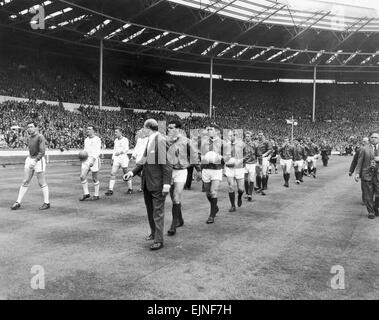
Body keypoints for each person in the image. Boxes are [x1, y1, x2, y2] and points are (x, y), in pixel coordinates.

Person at [124, 119, 172, 250]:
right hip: (147, 182)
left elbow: (167, 165)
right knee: (150, 210)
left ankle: (159, 240)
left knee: (157, 212)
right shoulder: (150, 140)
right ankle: (154, 233)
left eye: (143, 128)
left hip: (157, 184)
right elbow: (143, 161)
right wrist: (132, 173)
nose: (141, 131)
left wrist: (166, 185)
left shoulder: (161, 141)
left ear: (148, 128)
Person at [166, 120, 200, 236]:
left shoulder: (187, 142)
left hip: (181, 172)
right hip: (169, 172)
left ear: (178, 129)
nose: (168, 129)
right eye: (168, 128)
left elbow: (195, 157)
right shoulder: (165, 141)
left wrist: (198, 170)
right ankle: (180, 220)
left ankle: (173, 225)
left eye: (171, 128)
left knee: (176, 197)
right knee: (173, 198)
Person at [11, 121, 50, 210]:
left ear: (36, 127)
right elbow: (21, 139)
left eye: (31, 126)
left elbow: (42, 151)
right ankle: (18, 202)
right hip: (30, 159)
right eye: (28, 127)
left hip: (39, 161)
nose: (29, 128)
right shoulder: (29, 138)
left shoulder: (40, 136)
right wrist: (16, 132)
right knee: (25, 181)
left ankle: (47, 202)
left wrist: (36, 160)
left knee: (41, 182)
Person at [200, 124, 225, 224]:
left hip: (217, 170)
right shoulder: (204, 142)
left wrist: (221, 158)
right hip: (206, 169)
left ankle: (211, 215)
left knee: (213, 192)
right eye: (208, 129)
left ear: (217, 131)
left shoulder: (222, 143)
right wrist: (203, 158)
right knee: (208, 193)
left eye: (211, 129)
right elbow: (200, 154)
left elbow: (227, 157)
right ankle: (215, 207)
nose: (209, 131)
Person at [354, 132, 379, 219]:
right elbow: (359, 162)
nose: (374, 139)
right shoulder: (364, 149)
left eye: (376, 137)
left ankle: (376, 208)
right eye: (372, 137)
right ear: (370, 138)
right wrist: (357, 173)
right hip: (367, 175)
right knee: (368, 195)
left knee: (378, 194)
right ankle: (371, 212)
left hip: (378, 175)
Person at [105, 128, 132, 196]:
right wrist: (112, 158)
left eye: (116, 132)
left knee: (126, 173)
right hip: (116, 158)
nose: (115, 133)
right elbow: (114, 150)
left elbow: (126, 149)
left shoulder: (125, 139)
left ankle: (130, 188)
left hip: (123, 158)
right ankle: (110, 190)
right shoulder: (116, 140)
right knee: (112, 173)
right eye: (115, 132)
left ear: (121, 132)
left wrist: (120, 152)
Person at [224, 129, 245, 212]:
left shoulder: (242, 144)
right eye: (228, 135)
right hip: (229, 169)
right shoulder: (226, 145)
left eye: (230, 135)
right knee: (231, 186)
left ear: (234, 135)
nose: (228, 137)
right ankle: (233, 206)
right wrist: (225, 163)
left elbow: (247, 155)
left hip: (239, 168)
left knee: (241, 189)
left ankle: (239, 196)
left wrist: (240, 161)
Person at [79, 125, 102, 201]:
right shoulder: (86, 140)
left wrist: (93, 159)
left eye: (89, 129)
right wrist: (82, 156)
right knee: (82, 176)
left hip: (94, 160)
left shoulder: (97, 139)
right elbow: (85, 150)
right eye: (87, 129)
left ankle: (96, 195)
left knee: (95, 178)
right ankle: (86, 194)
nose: (87, 130)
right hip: (86, 160)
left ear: (93, 131)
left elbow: (97, 151)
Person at [349, 137, 369, 205]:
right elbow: (354, 161)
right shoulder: (359, 150)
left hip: (372, 171)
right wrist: (351, 171)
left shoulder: (374, 149)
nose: (363, 143)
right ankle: (365, 201)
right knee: (364, 186)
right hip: (363, 171)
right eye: (363, 141)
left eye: (365, 141)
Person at [243, 131, 259, 202]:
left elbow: (258, 154)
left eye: (248, 136)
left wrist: (259, 163)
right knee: (245, 179)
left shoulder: (255, 144)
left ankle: (250, 194)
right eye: (246, 136)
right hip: (245, 164)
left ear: (251, 137)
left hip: (252, 163)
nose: (247, 138)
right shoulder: (242, 144)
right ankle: (247, 193)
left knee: (252, 179)